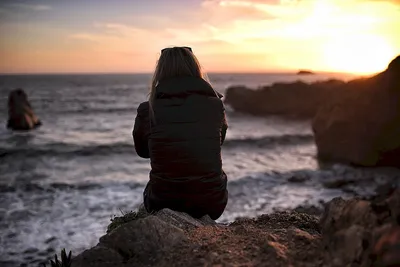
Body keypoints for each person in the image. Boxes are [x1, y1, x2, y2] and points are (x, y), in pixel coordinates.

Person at [132, 46, 228, 220]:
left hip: (163, 202)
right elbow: (216, 142)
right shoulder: (215, 105)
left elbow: (143, 152)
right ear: (195, 68)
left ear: (160, 71)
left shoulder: (148, 109)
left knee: (152, 186)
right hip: (212, 203)